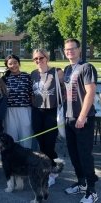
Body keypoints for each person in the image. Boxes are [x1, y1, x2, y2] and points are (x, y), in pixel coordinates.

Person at [62, 38, 99, 203]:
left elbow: (90, 92)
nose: (70, 51)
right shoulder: (68, 69)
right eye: (67, 49)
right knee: (74, 154)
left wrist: (82, 117)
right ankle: (81, 183)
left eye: (73, 48)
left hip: (83, 119)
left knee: (85, 156)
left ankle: (92, 191)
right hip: (69, 119)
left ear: (79, 50)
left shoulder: (86, 67)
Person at [30, 49, 64, 187]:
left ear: (47, 58)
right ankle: (50, 167)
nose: (38, 60)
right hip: (37, 111)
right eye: (36, 58)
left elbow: (66, 89)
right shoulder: (33, 74)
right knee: (41, 144)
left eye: (41, 58)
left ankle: (52, 171)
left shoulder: (57, 72)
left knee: (49, 144)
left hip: (52, 111)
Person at [2, 54, 33, 149]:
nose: (13, 65)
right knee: (11, 137)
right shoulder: (4, 79)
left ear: (19, 63)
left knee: (26, 136)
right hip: (9, 111)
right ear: (7, 66)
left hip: (25, 110)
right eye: (10, 64)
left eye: (15, 63)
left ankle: (27, 161)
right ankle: (13, 161)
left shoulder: (27, 76)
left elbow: (32, 94)